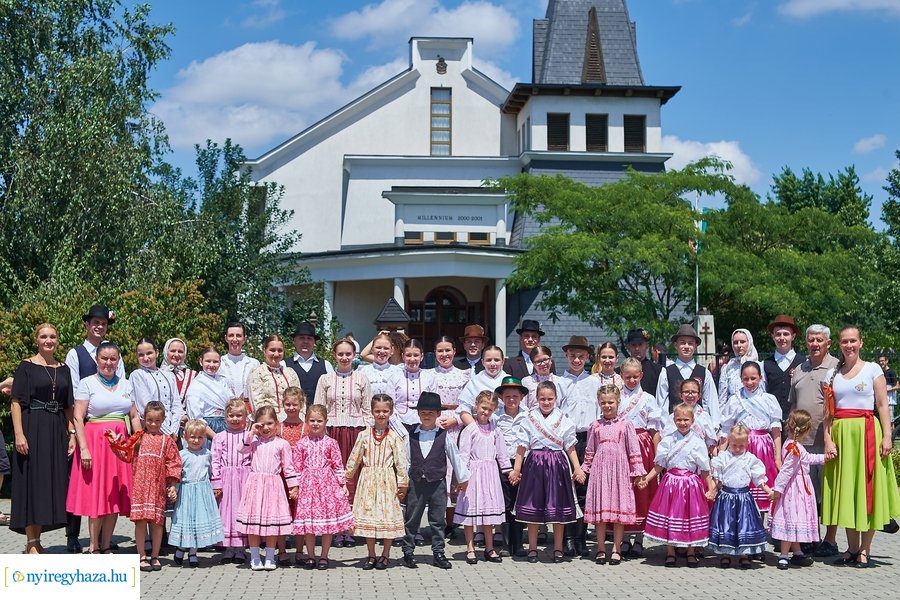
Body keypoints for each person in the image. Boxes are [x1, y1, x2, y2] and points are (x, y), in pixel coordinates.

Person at [822, 325, 900, 568]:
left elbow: (883, 405)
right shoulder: (831, 374)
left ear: (861, 343)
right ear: (839, 344)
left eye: (853, 341)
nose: (849, 345)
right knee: (846, 491)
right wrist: (827, 439)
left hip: (867, 434)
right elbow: (827, 413)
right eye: (844, 341)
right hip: (841, 434)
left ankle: (865, 550)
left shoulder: (872, 369)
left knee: (868, 490)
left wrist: (887, 436)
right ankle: (851, 548)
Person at [66, 341, 142, 554]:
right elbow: (78, 418)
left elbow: (134, 416)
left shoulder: (126, 384)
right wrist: (84, 449)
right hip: (95, 443)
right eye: (104, 358)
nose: (109, 363)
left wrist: (136, 444)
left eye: (113, 359)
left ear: (118, 361)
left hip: (119, 446)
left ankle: (107, 544)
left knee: (114, 494)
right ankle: (93, 545)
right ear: (97, 360)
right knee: (96, 494)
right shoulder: (87, 383)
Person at [9, 323, 75, 553]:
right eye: (44, 336)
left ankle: (38, 539)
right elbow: (16, 402)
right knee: (32, 482)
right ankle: (31, 542)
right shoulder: (26, 366)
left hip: (56, 429)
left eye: (53, 336)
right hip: (32, 426)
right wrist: (19, 434)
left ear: (57, 340)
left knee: (48, 483)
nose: (49, 340)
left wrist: (72, 434)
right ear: (36, 339)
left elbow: (69, 406)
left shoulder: (64, 368)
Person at [63, 304, 124, 552]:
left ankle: (103, 541)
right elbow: (73, 394)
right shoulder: (75, 354)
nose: (99, 326)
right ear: (87, 325)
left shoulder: (112, 354)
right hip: (84, 424)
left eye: (103, 323)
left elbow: (122, 387)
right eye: (95, 322)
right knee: (83, 483)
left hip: (112, 430)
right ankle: (73, 536)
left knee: (107, 484)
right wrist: (73, 434)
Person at [509, 381, 585, 564]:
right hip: (534, 463)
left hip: (557, 464)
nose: (546, 402)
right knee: (533, 507)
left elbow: (570, 446)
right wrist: (517, 469)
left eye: (550, 398)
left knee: (557, 508)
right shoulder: (528, 419)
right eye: (542, 398)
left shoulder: (564, 419)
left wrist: (577, 468)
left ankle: (558, 548)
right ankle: (533, 548)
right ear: (536, 399)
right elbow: (521, 446)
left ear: (556, 399)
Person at [401, 391, 470, 569]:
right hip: (416, 483)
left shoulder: (443, 435)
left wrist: (463, 478)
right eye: (423, 412)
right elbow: (405, 459)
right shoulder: (411, 435)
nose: (427, 416)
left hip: (437, 483)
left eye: (431, 413)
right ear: (418, 414)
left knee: (437, 520)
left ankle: (438, 552)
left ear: (438, 414)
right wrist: (403, 480)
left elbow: (455, 457)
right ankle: (408, 551)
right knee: (412, 518)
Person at [639, 403, 714, 567]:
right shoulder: (668, 440)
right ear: (674, 420)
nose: (682, 423)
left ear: (692, 420)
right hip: (671, 482)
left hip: (690, 484)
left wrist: (711, 488)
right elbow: (659, 465)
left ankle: (691, 552)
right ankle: (670, 551)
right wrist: (647, 479)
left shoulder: (698, 441)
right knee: (671, 516)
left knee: (690, 516)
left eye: (686, 419)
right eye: (679, 419)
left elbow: (705, 468)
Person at [787, 323, 840, 556]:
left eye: (820, 340)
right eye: (811, 340)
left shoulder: (837, 367)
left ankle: (830, 539)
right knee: (806, 493)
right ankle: (809, 536)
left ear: (828, 343)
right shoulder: (799, 369)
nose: (815, 344)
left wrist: (831, 439)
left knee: (828, 491)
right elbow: (794, 405)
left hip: (826, 439)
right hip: (802, 442)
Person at [582, 384, 645, 566]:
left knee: (618, 511)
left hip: (619, 472)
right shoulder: (594, 426)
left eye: (611, 402)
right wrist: (584, 469)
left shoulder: (626, 425)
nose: (607, 406)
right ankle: (601, 548)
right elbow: (590, 450)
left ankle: (617, 549)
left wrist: (638, 473)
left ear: (618, 402)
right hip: (600, 471)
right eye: (603, 402)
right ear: (599, 403)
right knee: (600, 512)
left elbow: (633, 450)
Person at [344, 394, 409, 570]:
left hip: (387, 480)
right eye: (377, 411)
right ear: (372, 412)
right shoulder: (364, 435)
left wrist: (403, 483)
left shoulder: (395, 437)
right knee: (369, 518)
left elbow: (401, 462)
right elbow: (354, 458)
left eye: (385, 411)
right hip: (368, 480)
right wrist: (345, 479)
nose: (381, 414)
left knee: (387, 518)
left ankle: (385, 554)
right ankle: (371, 554)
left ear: (391, 412)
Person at [313, 337, 372, 521]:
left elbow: (368, 410)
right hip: (331, 433)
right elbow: (318, 409)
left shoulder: (362, 378)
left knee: (353, 477)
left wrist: (368, 436)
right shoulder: (325, 379)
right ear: (334, 356)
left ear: (354, 355)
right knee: (331, 476)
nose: (344, 357)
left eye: (348, 354)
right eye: (341, 354)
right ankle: (333, 522)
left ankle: (352, 524)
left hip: (355, 433)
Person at [234, 405, 299, 571]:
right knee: (253, 523)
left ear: (276, 424)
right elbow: (241, 450)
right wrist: (251, 432)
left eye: (270, 423)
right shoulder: (253, 442)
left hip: (274, 485)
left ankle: (270, 556)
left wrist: (293, 486)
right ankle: (255, 556)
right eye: (261, 424)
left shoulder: (282, 443)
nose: (266, 427)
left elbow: (288, 466)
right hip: (255, 484)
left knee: (272, 523)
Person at [292, 404, 355, 570]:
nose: (315, 424)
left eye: (319, 420)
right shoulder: (301, 444)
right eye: (312, 420)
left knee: (326, 523)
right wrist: (295, 486)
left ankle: (324, 556)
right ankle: (311, 556)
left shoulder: (331, 443)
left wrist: (343, 484)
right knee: (309, 524)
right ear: (306, 421)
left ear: (326, 421)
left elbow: (338, 464)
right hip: (308, 486)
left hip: (327, 486)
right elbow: (297, 466)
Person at [124, 401, 181, 572]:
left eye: (157, 420)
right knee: (140, 522)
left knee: (157, 523)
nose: (153, 424)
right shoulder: (138, 438)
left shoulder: (167, 441)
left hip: (157, 488)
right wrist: (114, 441)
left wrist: (171, 485)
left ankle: (155, 555)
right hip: (140, 487)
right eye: (149, 420)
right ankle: (141, 556)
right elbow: (124, 452)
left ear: (163, 420)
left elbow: (174, 463)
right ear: (144, 419)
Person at [718, 362, 782, 514]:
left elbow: (776, 430)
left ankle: (760, 524)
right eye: (745, 379)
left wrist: (778, 457)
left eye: (753, 378)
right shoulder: (735, 400)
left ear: (760, 378)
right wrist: (721, 453)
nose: (749, 382)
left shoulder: (769, 399)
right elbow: (727, 428)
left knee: (762, 481)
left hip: (763, 447)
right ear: (740, 379)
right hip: (741, 446)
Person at [453, 390, 509, 565]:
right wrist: (462, 478)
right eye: (483, 408)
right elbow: (463, 455)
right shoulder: (470, 429)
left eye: (490, 410)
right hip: (473, 474)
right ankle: (470, 548)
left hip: (490, 474)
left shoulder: (495, 429)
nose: (486, 412)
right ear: (476, 407)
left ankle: (489, 548)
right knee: (471, 512)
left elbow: (502, 453)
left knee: (488, 512)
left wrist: (509, 471)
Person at [708, 424, 774, 568]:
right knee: (726, 525)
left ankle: (744, 554)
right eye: (734, 445)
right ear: (729, 442)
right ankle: (725, 553)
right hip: (726, 497)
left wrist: (768, 491)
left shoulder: (750, 459)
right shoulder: (723, 457)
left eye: (741, 446)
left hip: (744, 498)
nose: (737, 449)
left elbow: (759, 479)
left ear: (747, 444)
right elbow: (717, 478)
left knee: (744, 526)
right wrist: (712, 490)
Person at [617, 358, 664, 557]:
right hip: (621, 446)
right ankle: (624, 538)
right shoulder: (617, 397)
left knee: (642, 490)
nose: (632, 380)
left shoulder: (648, 399)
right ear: (621, 376)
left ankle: (639, 539)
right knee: (624, 490)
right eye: (628, 376)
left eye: (635, 376)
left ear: (641, 376)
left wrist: (658, 455)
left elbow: (655, 431)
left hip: (642, 445)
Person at [769, 409, 824, 570]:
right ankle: (784, 555)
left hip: (799, 488)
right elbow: (786, 471)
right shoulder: (793, 447)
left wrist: (825, 458)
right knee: (791, 519)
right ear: (807, 430)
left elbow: (808, 458)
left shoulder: (796, 446)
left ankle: (797, 551)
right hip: (794, 490)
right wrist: (777, 490)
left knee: (796, 519)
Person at [428, 336, 471, 534]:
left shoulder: (465, 375)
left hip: (456, 424)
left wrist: (456, 418)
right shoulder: (429, 375)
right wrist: (433, 419)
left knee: (454, 471)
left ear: (454, 351)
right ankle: (438, 522)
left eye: (448, 350)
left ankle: (453, 522)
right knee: (439, 471)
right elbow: (425, 400)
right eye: (440, 351)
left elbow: (468, 402)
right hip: (436, 423)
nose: (444, 354)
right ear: (435, 354)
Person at [169, 419, 223, 569]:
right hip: (186, 492)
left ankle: (193, 553)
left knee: (198, 522)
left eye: (200, 437)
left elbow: (213, 472)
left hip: (202, 492)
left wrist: (216, 486)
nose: (196, 440)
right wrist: (175, 489)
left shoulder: (207, 454)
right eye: (192, 437)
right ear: (185, 437)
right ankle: (181, 548)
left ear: (204, 439)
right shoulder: (182, 454)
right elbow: (176, 473)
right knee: (186, 522)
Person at [210, 398, 252, 564]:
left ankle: (241, 548)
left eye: (238, 416)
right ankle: (228, 547)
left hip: (244, 477)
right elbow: (215, 460)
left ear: (245, 417)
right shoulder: (219, 437)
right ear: (225, 417)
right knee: (226, 512)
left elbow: (253, 456)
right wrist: (217, 482)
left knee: (242, 510)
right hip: (226, 478)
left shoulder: (248, 436)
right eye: (231, 415)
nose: (235, 419)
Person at [655, 324, 720, 429]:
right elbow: (661, 404)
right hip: (674, 429)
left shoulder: (704, 372)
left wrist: (714, 426)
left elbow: (711, 402)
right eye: (682, 343)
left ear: (695, 346)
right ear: (675, 345)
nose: (686, 346)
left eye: (690, 343)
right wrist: (667, 427)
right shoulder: (666, 372)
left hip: (700, 428)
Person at [493, 378, 527, 557]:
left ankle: (519, 543)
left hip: (522, 463)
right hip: (502, 464)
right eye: (507, 396)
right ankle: (506, 544)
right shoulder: (496, 417)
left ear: (521, 397)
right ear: (501, 397)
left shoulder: (528, 415)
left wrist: (518, 468)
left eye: (515, 396)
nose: (511, 399)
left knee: (519, 502)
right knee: (505, 502)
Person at [130, 337, 181, 441]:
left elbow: (176, 404)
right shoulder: (137, 375)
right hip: (152, 430)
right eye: (141, 355)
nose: (145, 358)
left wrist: (174, 430)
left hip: (174, 431)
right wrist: (167, 432)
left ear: (157, 353)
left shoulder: (169, 375)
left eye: (149, 353)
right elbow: (145, 406)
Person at [185, 346, 235, 443]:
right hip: (207, 430)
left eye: (215, 362)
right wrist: (216, 437)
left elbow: (231, 402)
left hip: (228, 425)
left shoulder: (223, 381)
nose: (211, 365)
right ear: (201, 361)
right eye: (208, 361)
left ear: (220, 363)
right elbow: (196, 417)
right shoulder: (196, 384)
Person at [762, 315, 806, 421]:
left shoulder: (804, 363)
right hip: (772, 421)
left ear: (793, 336)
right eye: (778, 334)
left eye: (786, 334)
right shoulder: (764, 364)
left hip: (797, 420)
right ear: (773, 336)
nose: (782, 338)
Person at [248, 335, 301, 421]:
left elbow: (300, 399)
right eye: (272, 350)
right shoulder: (257, 372)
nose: (276, 354)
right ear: (264, 351)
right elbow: (257, 404)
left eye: (280, 350)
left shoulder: (290, 372)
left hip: (291, 422)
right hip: (266, 424)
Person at [456, 345, 508, 426]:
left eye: (497, 360)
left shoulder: (509, 381)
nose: (492, 363)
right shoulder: (475, 381)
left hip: (506, 427)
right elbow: (464, 409)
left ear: (503, 362)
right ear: (482, 362)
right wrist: (477, 430)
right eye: (488, 360)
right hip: (480, 426)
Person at [284, 322, 333, 406]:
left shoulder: (326, 365)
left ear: (314, 342)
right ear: (294, 340)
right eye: (301, 338)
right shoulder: (284, 365)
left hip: (318, 417)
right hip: (292, 416)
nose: (305, 341)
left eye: (309, 338)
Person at [660, 378, 717, 451]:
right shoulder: (673, 416)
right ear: (680, 395)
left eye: (693, 392)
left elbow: (710, 442)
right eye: (686, 392)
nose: (690, 395)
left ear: (699, 395)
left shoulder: (704, 416)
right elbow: (666, 438)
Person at [392, 339, 435, 434]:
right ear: (403, 356)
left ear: (422, 356)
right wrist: (399, 429)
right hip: (398, 425)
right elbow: (390, 405)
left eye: (416, 355)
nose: (412, 359)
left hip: (424, 425)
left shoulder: (429, 377)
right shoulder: (394, 377)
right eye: (408, 355)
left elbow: (433, 405)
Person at [717, 328, 765, 412]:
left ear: (749, 342)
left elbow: (764, 392)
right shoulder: (728, 368)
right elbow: (722, 398)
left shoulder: (760, 366)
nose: (739, 345)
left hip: (755, 412)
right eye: (736, 342)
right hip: (733, 413)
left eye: (742, 342)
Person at [217, 321, 260, 408]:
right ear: (226, 338)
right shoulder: (219, 363)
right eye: (231, 335)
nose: (235, 339)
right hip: (225, 409)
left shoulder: (254, 363)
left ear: (244, 339)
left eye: (239, 336)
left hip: (249, 409)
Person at [160, 337, 196, 431]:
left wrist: (186, 415)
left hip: (186, 428)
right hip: (161, 425)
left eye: (180, 351)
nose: (176, 354)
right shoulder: (157, 374)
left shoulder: (193, 376)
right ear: (166, 352)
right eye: (173, 351)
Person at [357, 331, 403, 399]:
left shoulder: (399, 372)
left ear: (392, 351)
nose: (382, 351)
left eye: (386, 348)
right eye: (378, 347)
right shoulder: (363, 372)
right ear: (372, 350)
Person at [624, 328, 662, 396]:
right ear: (628, 347)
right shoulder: (620, 371)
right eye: (633, 345)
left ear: (647, 346)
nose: (637, 348)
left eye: (640, 344)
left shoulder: (658, 371)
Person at [877, 353, 898, 418]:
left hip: (890, 401)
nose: (881, 362)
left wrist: (886, 390)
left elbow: (897, 386)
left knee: (891, 421)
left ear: (886, 361)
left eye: (882, 361)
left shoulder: (891, 372)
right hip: (880, 401)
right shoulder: (879, 372)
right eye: (880, 361)